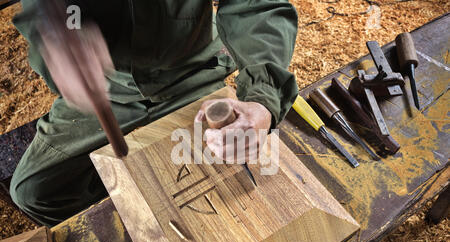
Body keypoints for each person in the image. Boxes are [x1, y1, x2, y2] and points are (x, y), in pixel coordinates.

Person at [9, 0, 299, 226]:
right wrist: (56, 41)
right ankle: (142, 228)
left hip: (193, 68)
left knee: (238, 167)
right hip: (108, 86)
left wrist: (263, 98)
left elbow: (256, 5)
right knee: (35, 192)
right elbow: (42, 11)